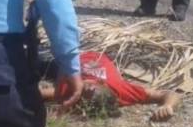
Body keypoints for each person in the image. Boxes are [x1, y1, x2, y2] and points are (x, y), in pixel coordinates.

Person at [39, 51, 181, 122]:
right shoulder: (123, 90)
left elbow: (40, 94)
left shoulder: (72, 91)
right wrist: (168, 106)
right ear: (102, 84)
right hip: (93, 52)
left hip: (68, 61)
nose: (87, 83)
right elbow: (169, 93)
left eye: (85, 88)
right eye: (91, 85)